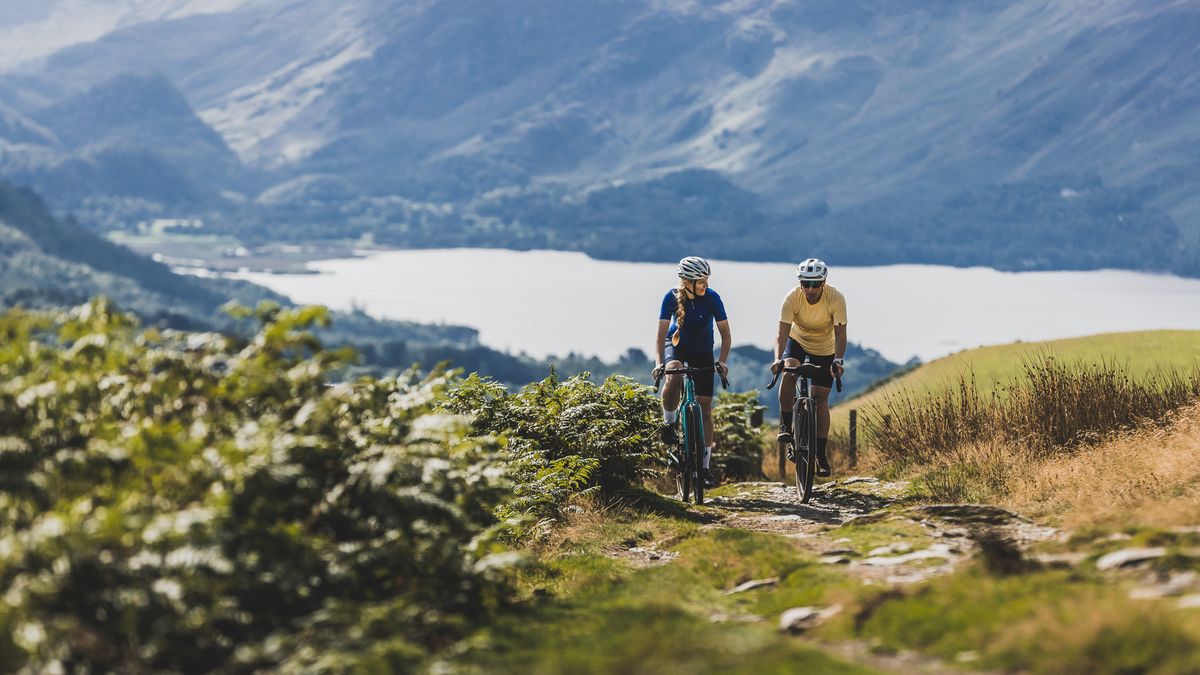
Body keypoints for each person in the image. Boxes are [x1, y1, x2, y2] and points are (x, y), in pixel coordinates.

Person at [652, 256, 731, 488]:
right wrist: (659, 363)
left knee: (705, 407)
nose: (704, 284)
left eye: (706, 280)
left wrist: (722, 360)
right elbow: (660, 336)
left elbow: (726, 335)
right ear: (686, 282)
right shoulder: (670, 297)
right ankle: (668, 424)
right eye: (700, 281)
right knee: (674, 373)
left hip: (703, 351)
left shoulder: (713, 298)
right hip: (675, 347)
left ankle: (705, 467)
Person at [771, 258, 847, 477]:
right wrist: (778, 359)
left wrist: (838, 361)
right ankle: (786, 426)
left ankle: (820, 456)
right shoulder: (792, 298)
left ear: (824, 282)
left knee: (821, 398)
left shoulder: (836, 298)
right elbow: (781, 333)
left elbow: (841, 335)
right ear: (800, 283)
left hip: (825, 348)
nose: (811, 289)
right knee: (789, 371)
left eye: (815, 284)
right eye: (806, 283)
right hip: (797, 342)